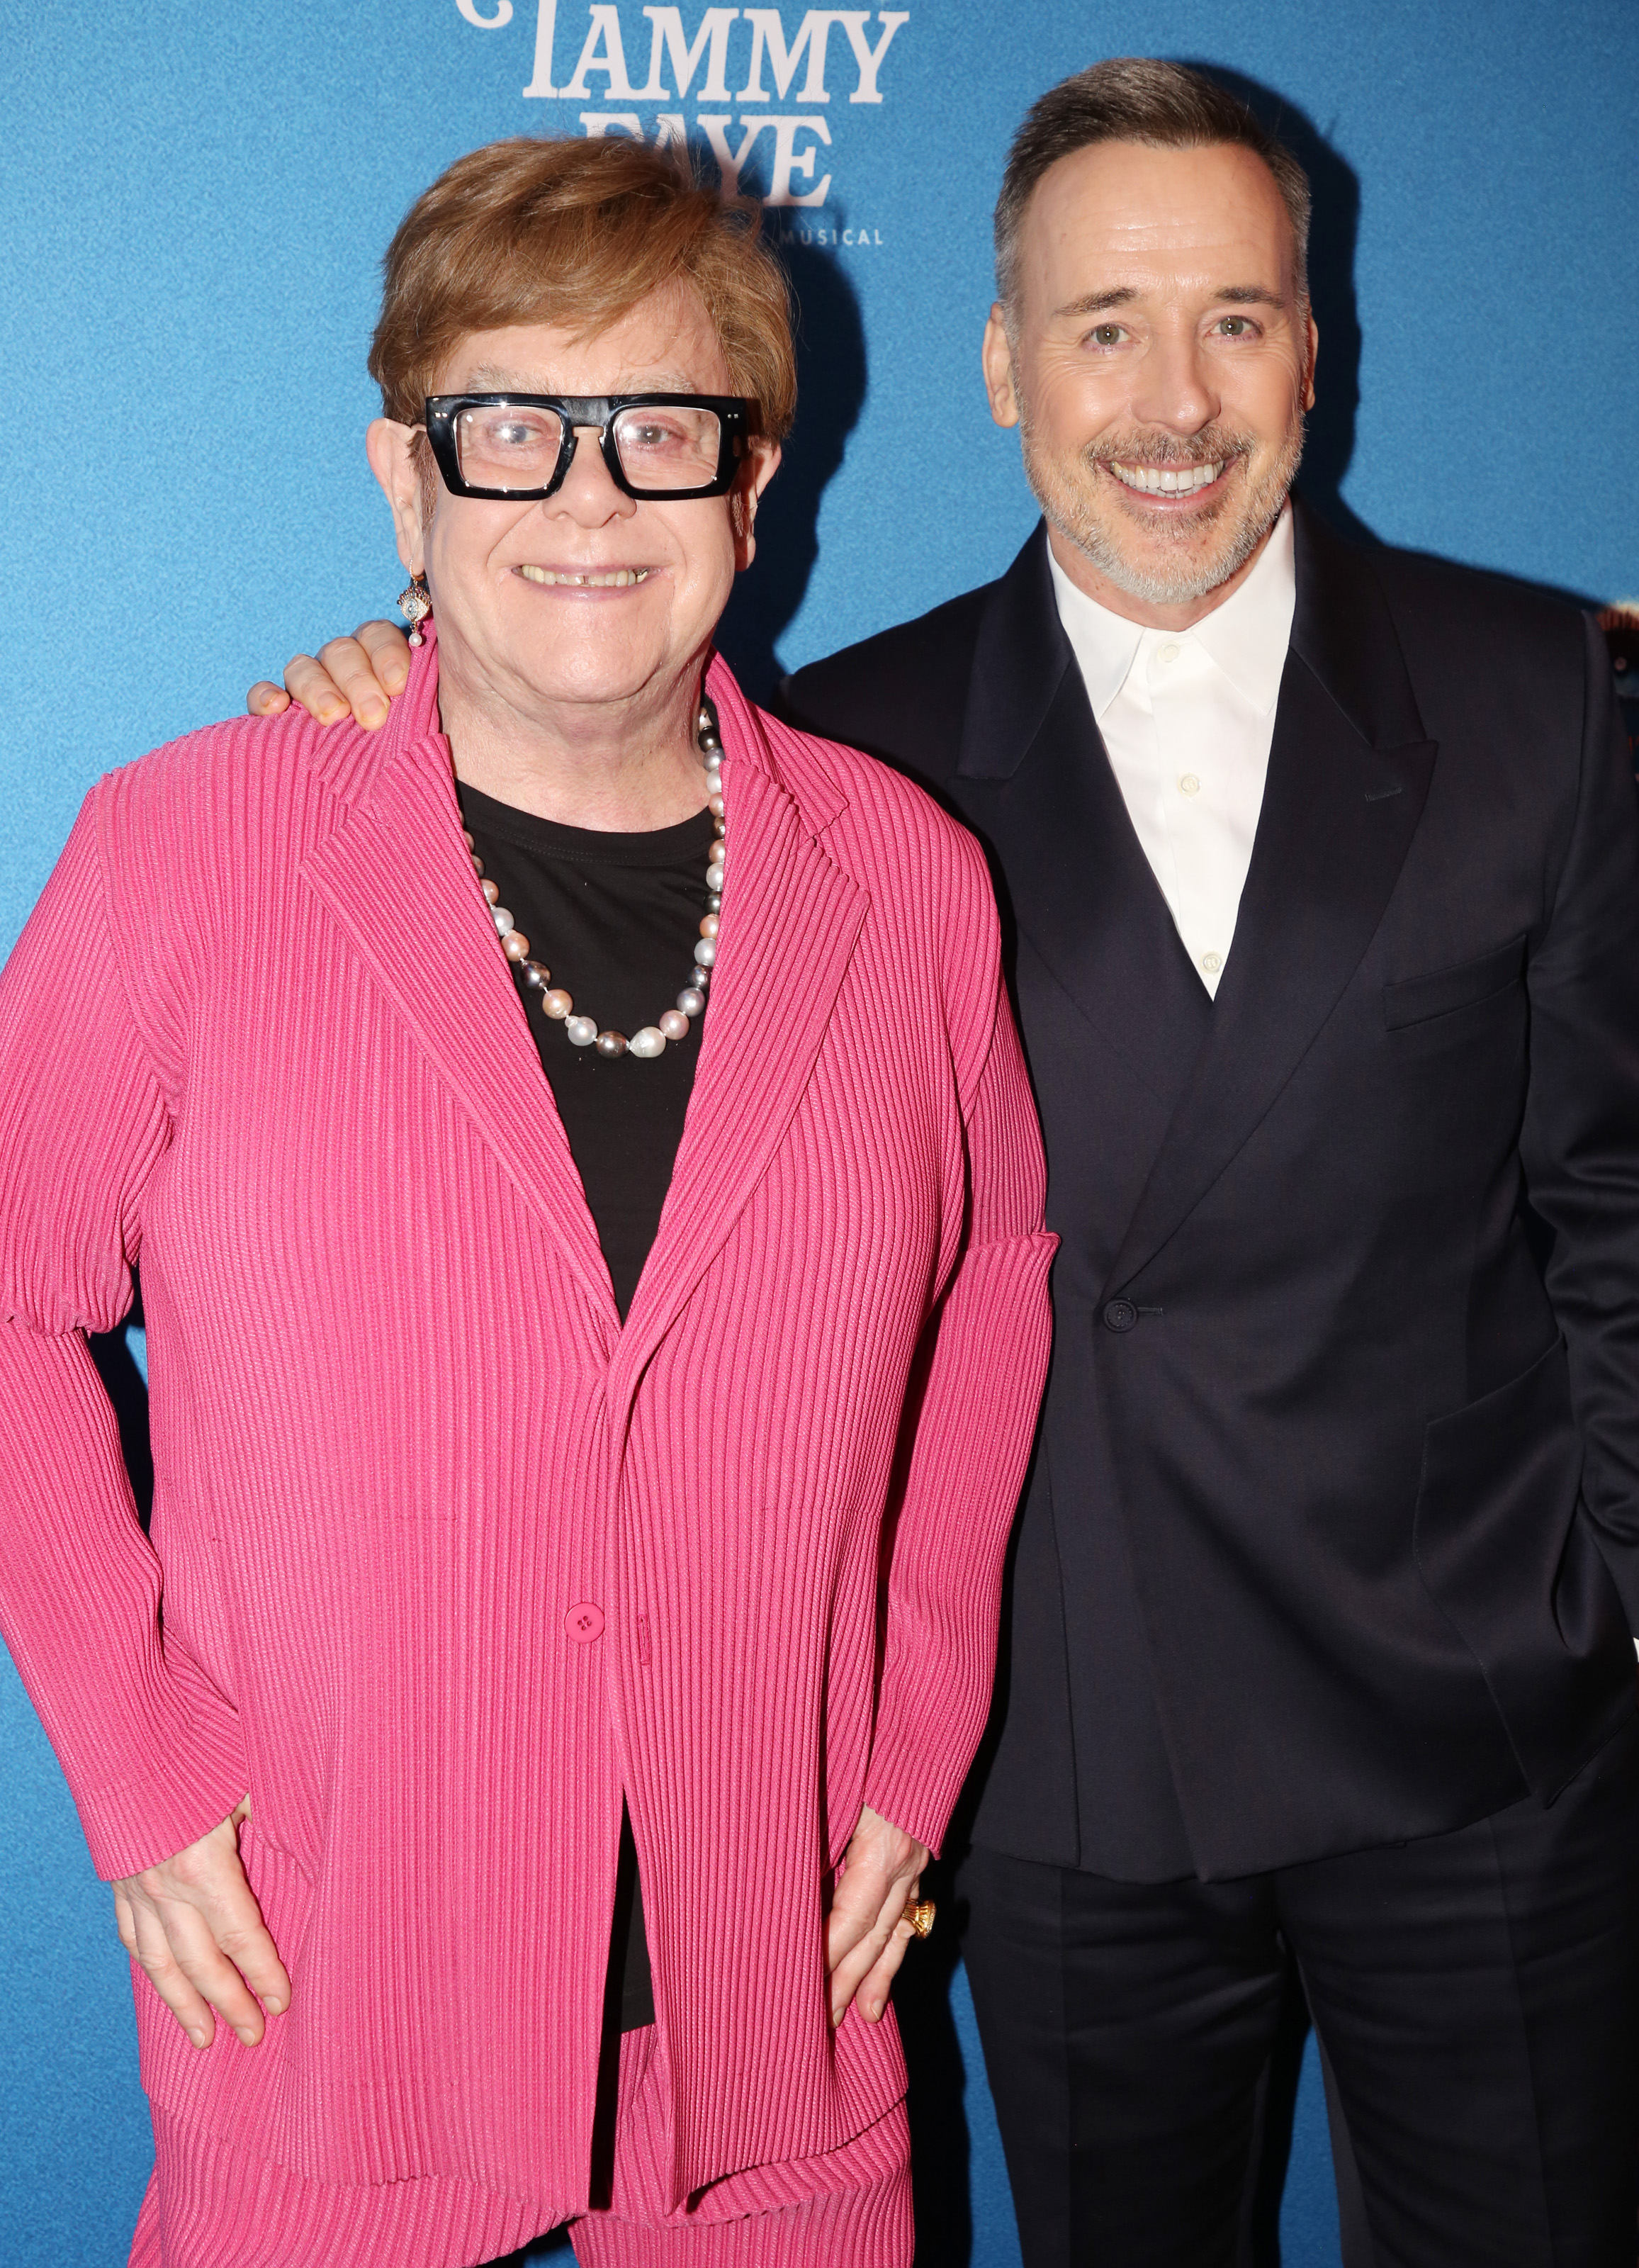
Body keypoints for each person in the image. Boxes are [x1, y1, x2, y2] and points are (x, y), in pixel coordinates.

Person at [283, 62, 1639, 2268]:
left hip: (1486, 1748)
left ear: (1316, 348)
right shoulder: (843, 764)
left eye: (1233, 317)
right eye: (1103, 325)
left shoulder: (1531, 691)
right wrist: (370, 673)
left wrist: (1616, 1605)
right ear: (1006, 363)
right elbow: (549, 717)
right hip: (1066, 1776)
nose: (1170, 398)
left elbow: (1614, 1196)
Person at [0, 136, 1055, 2268]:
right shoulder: (186, 857)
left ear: (750, 494)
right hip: (324, 1998)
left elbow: (999, 1295)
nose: (588, 499)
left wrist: (909, 1749)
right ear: (408, 484)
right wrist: (136, 1752)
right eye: (511, 430)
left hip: (774, 2024)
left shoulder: (904, 886)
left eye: (660, 432)